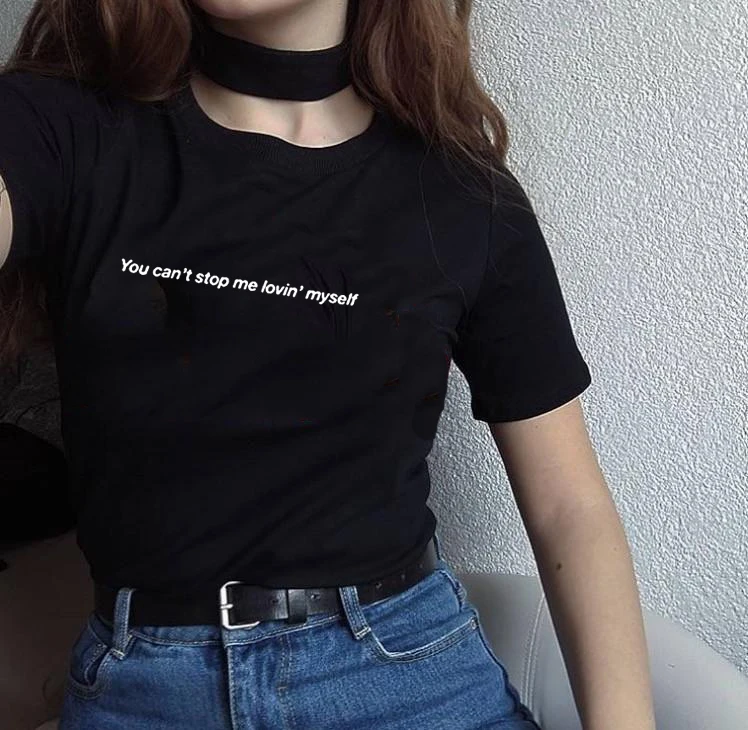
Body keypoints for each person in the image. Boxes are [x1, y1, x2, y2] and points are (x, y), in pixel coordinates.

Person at [0, 1, 657, 728]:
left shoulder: (464, 196)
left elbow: (569, 507)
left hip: (410, 678)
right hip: (147, 689)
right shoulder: (61, 126)